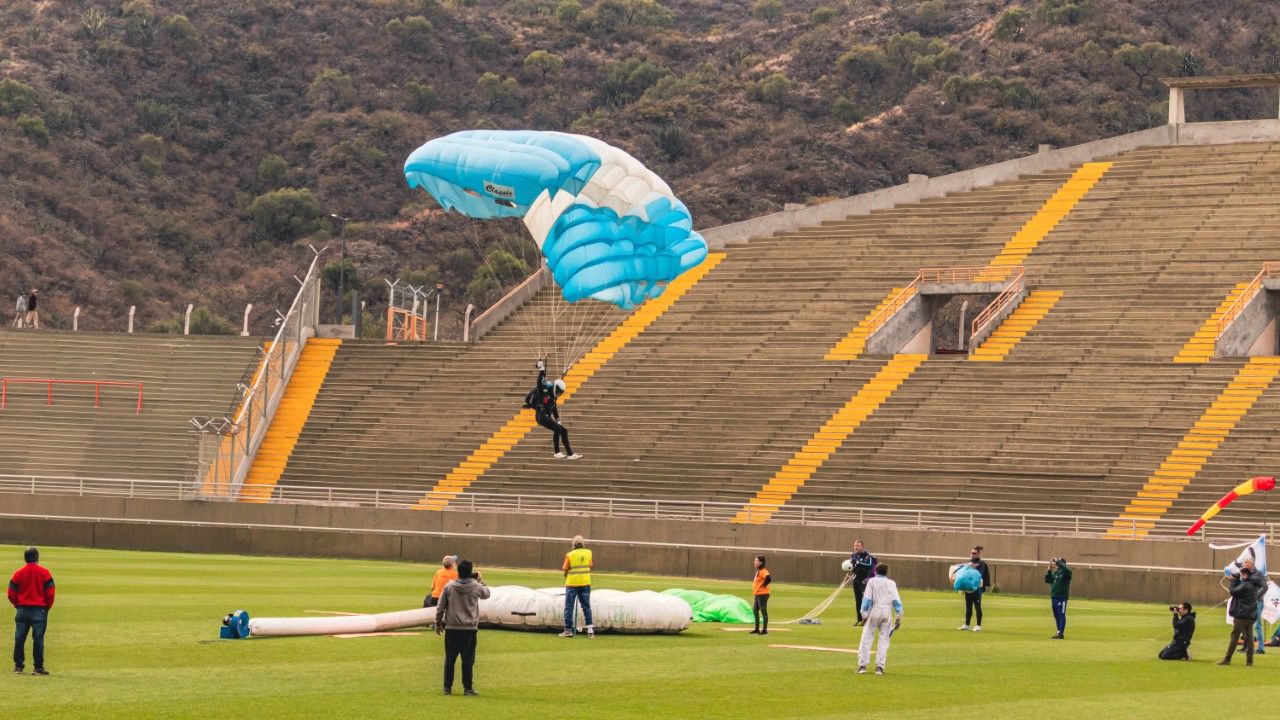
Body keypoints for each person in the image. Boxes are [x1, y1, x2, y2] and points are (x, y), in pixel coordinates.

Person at [434, 559, 490, 696]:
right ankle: (468, 688)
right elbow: (487, 594)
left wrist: (438, 623)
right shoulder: (476, 587)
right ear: (470, 572)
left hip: (452, 628)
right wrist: (481, 581)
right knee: (468, 660)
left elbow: (440, 607)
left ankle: (447, 687)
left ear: (458, 571)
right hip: (469, 629)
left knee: (450, 659)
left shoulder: (449, 587)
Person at [9, 547, 55, 675]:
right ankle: (38, 667)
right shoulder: (44, 572)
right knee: (38, 638)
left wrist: (17, 604)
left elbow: (11, 592)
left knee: (19, 638)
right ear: (36, 557)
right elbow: (50, 592)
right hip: (39, 609)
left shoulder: (18, 573)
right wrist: (47, 606)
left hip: (22, 609)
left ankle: (18, 667)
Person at [530, 360, 581, 460]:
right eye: (559, 391)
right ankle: (565, 454)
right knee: (560, 430)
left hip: (545, 416)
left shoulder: (554, 395)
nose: (559, 394)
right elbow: (540, 382)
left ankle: (562, 453)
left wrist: (557, 419)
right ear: (555, 388)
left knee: (560, 430)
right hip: (541, 416)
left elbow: (553, 406)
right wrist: (541, 369)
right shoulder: (544, 392)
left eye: (561, 392)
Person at [857, 564, 902, 676]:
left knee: (866, 638)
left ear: (876, 571)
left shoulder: (872, 581)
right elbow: (897, 601)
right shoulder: (892, 583)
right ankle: (879, 668)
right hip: (887, 612)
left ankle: (862, 666)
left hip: (875, 610)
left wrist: (864, 614)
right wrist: (898, 617)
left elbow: (867, 598)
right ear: (886, 572)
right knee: (884, 640)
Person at [1220, 566, 1264, 666]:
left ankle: (1227, 659)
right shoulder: (1253, 584)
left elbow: (1233, 591)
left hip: (1241, 615)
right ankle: (1249, 662)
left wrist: (1232, 581)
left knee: (1234, 637)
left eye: (1241, 574)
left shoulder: (1245, 585)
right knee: (1250, 638)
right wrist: (1237, 581)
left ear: (1244, 575)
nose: (1240, 576)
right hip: (1251, 615)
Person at [560, 535, 594, 638]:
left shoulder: (569, 555)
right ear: (583, 544)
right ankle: (590, 631)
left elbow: (565, 570)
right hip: (585, 583)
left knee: (569, 607)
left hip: (572, 584)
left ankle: (568, 630)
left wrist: (567, 576)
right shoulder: (589, 553)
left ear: (573, 544)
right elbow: (590, 566)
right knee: (586, 607)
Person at [958, 546, 990, 632]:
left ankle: (978, 625)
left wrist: (985, 586)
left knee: (977, 606)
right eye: (972, 553)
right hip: (968, 588)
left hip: (977, 588)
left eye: (974, 553)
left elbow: (982, 575)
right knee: (968, 606)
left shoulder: (982, 564)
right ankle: (967, 624)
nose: (972, 555)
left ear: (979, 554)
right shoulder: (969, 562)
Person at [848, 540, 877, 626]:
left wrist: (858, 562)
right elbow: (852, 567)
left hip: (865, 580)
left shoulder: (867, 556)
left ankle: (868, 619)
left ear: (862, 546)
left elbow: (869, 565)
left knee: (867, 600)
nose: (856, 547)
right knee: (858, 600)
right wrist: (850, 572)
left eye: (858, 545)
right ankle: (860, 619)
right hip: (856, 580)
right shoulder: (853, 555)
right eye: (855, 545)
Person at [1045, 557, 1071, 639]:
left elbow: (1065, 568)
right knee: (1056, 615)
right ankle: (1058, 631)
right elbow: (1048, 580)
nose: (1057, 565)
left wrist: (1057, 561)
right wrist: (1049, 570)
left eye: (1059, 563)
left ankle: (1061, 632)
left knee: (1061, 614)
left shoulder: (1067, 573)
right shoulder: (1055, 573)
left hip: (1062, 597)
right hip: (1054, 597)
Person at [749, 555, 771, 635]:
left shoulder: (763, 571)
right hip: (758, 594)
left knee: (763, 611)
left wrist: (764, 585)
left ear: (761, 562)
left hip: (763, 594)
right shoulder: (759, 571)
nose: (755, 562)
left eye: (756, 561)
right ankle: (757, 629)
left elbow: (769, 578)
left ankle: (764, 630)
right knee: (755, 611)